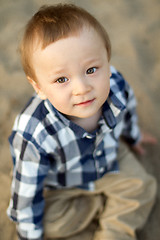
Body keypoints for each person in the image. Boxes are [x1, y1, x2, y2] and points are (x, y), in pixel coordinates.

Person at [7, 4, 157, 240]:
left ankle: (113, 232)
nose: (82, 88)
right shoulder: (33, 134)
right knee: (53, 224)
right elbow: (25, 196)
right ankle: (97, 206)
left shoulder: (115, 84)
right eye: (62, 79)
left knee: (143, 186)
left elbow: (127, 111)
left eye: (91, 69)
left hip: (108, 160)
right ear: (38, 87)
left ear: (107, 62)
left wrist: (134, 136)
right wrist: (28, 236)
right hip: (61, 183)